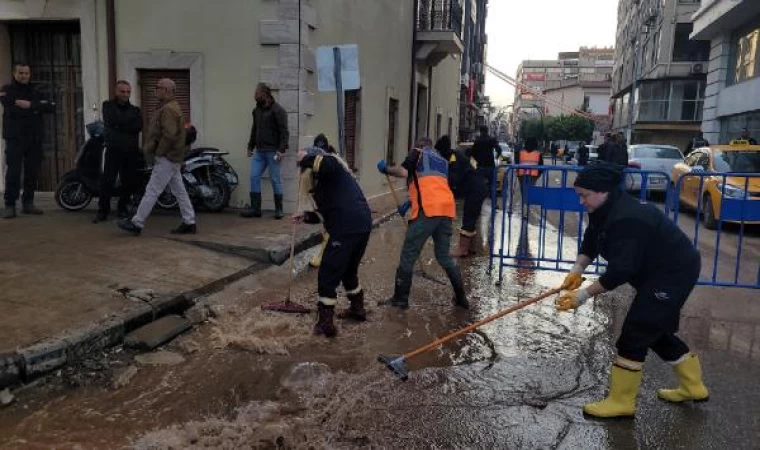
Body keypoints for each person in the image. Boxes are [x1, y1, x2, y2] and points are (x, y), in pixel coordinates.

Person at [556, 163, 709, 419]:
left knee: (635, 332)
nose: (581, 201)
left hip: (672, 273)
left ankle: (621, 402)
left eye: (584, 195)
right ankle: (693, 387)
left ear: (603, 191)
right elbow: (592, 240)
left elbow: (620, 272)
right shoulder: (604, 208)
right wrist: (577, 269)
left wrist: (582, 296)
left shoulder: (628, 218)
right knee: (654, 330)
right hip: (653, 273)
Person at [377, 137, 469, 310]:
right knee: (443, 256)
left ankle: (400, 299)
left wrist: (386, 169)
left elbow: (403, 172)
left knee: (408, 253)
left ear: (418, 146)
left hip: (428, 211)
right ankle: (461, 297)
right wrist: (410, 203)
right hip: (447, 210)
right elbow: (432, 186)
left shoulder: (417, 153)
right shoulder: (442, 161)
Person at [295, 136, 373, 338]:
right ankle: (358, 309)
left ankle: (326, 324)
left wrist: (304, 157)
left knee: (327, 274)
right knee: (348, 272)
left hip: (346, 227)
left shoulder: (333, 167)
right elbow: (325, 214)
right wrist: (306, 216)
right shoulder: (326, 184)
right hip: (361, 225)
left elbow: (326, 161)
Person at [118, 78, 196, 236]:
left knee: (152, 190)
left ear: (165, 90)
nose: (155, 90)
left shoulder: (167, 109)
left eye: (158, 87)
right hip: (173, 157)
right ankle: (189, 222)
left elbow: (169, 134)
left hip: (167, 157)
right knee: (179, 191)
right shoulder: (171, 107)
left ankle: (137, 223)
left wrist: (159, 152)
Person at [1, 63, 53, 219]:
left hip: (34, 137)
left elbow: (50, 107)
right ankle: (10, 205)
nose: (23, 75)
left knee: (32, 171)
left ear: (30, 74)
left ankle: (28, 203)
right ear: (14, 73)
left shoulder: (36, 91)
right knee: (13, 172)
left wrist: (30, 105)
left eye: (26, 73)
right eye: (20, 73)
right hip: (15, 137)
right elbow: (11, 107)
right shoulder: (7, 90)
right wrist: (36, 108)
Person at [94, 80, 142, 223]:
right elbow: (112, 120)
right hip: (113, 150)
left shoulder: (136, 110)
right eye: (122, 91)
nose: (125, 94)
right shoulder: (107, 106)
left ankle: (122, 208)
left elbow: (138, 126)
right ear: (116, 92)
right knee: (107, 181)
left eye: (128, 91)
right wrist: (126, 124)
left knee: (128, 182)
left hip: (130, 152)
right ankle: (103, 211)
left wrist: (119, 126)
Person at [241, 83, 289, 220]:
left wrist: (281, 149)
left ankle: (279, 209)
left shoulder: (278, 110)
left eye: (257, 93)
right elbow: (254, 129)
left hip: (273, 151)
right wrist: (250, 146)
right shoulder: (256, 111)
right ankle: (256, 209)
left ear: (264, 93)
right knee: (254, 176)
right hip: (259, 151)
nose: (254, 95)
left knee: (275, 179)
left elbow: (284, 131)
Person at [437, 135, 489, 257]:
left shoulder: (453, 158)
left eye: (439, 152)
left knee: (469, 216)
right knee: (473, 216)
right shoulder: (456, 154)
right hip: (478, 187)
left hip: (475, 189)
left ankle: (463, 249)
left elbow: (454, 178)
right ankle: (472, 247)